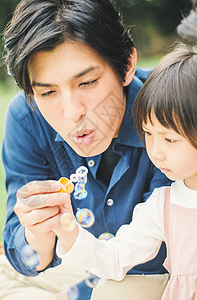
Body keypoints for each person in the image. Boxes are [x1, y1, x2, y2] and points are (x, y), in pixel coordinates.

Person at [0, 0, 173, 299]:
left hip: (155, 268)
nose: (71, 112)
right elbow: (28, 254)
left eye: (87, 82)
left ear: (127, 65)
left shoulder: (170, 107)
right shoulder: (26, 118)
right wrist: (37, 234)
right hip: (88, 260)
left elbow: (163, 245)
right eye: (48, 91)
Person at [54, 16, 197, 300]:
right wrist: (69, 233)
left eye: (169, 139)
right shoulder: (163, 206)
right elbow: (115, 258)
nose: (155, 151)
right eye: (148, 134)